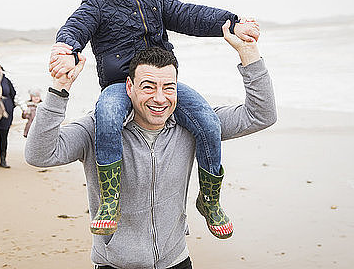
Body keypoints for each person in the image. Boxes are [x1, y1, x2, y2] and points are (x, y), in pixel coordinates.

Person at [49, 0, 260, 236]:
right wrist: (65, 48)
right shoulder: (98, 0)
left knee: (207, 120)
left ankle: (210, 199)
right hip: (120, 85)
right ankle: (110, 199)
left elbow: (191, 15)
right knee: (106, 116)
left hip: (161, 81)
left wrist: (233, 22)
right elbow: (76, 26)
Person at [26, 21, 276, 269]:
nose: (159, 98)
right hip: (115, 264)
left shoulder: (193, 126)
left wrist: (249, 54)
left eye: (168, 87)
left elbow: (261, 115)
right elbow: (40, 154)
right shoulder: (98, 128)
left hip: (176, 262)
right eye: (148, 87)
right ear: (129, 87)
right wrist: (60, 89)